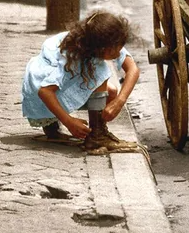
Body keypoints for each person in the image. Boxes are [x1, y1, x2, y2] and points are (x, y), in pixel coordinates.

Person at [21, 11, 139, 150]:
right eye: (114, 51)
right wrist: (69, 122)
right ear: (100, 48)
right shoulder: (70, 54)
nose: (118, 54)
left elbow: (133, 70)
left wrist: (120, 101)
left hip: (49, 90)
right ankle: (96, 136)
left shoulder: (103, 39)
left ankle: (57, 130)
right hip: (38, 97)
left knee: (112, 92)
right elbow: (45, 91)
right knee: (99, 72)